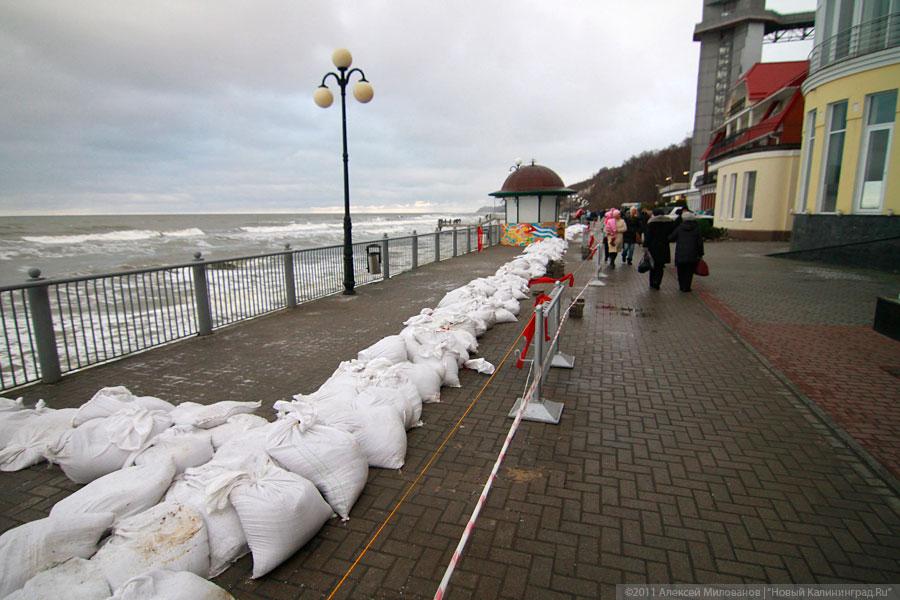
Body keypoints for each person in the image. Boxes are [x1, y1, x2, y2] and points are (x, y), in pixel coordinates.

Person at [668, 211, 704, 292]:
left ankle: (681, 286)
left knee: (681, 270)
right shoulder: (696, 229)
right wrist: (701, 253)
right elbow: (700, 242)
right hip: (692, 253)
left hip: (681, 253)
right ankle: (687, 286)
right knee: (689, 271)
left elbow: (671, 238)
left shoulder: (679, 228)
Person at [642, 207, 674, 289]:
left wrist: (645, 246)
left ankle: (652, 282)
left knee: (653, 265)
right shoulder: (669, 222)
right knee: (660, 266)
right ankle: (658, 282)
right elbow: (672, 233)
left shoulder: (651, 223)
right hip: (664, 246)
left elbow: (648, 236)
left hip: (653, 247)